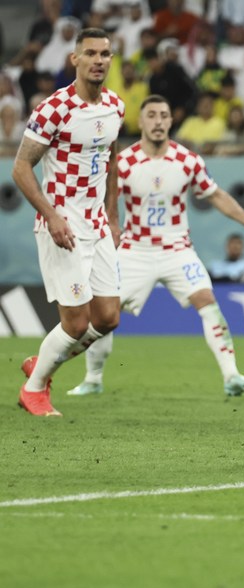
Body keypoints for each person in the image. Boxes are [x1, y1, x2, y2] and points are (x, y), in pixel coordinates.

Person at [67, 95, 244, 398]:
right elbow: (102, 203)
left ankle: (232, 375)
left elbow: (216, 195)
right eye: (151, 115)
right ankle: (93, 378)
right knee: (104, 315)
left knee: (207, 301)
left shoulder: (187, 160)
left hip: (177, 250)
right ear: (140, 122)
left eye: (164, 115)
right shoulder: (124, 163)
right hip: (134, 250)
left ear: (171, 121)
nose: (158, 121)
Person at [13, 28, 124, 417]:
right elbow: (21, 168)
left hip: (97, 225)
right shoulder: (53, 109)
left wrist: (112, 213)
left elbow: (110, 159)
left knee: (108, 317)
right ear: (74, 59)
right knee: (75, 324)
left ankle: (42, 363)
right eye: (90, 53)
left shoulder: (115, 106)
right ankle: (34, 389)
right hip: (62, 227)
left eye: (105, 54)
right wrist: (52, 215)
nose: (99, 60)